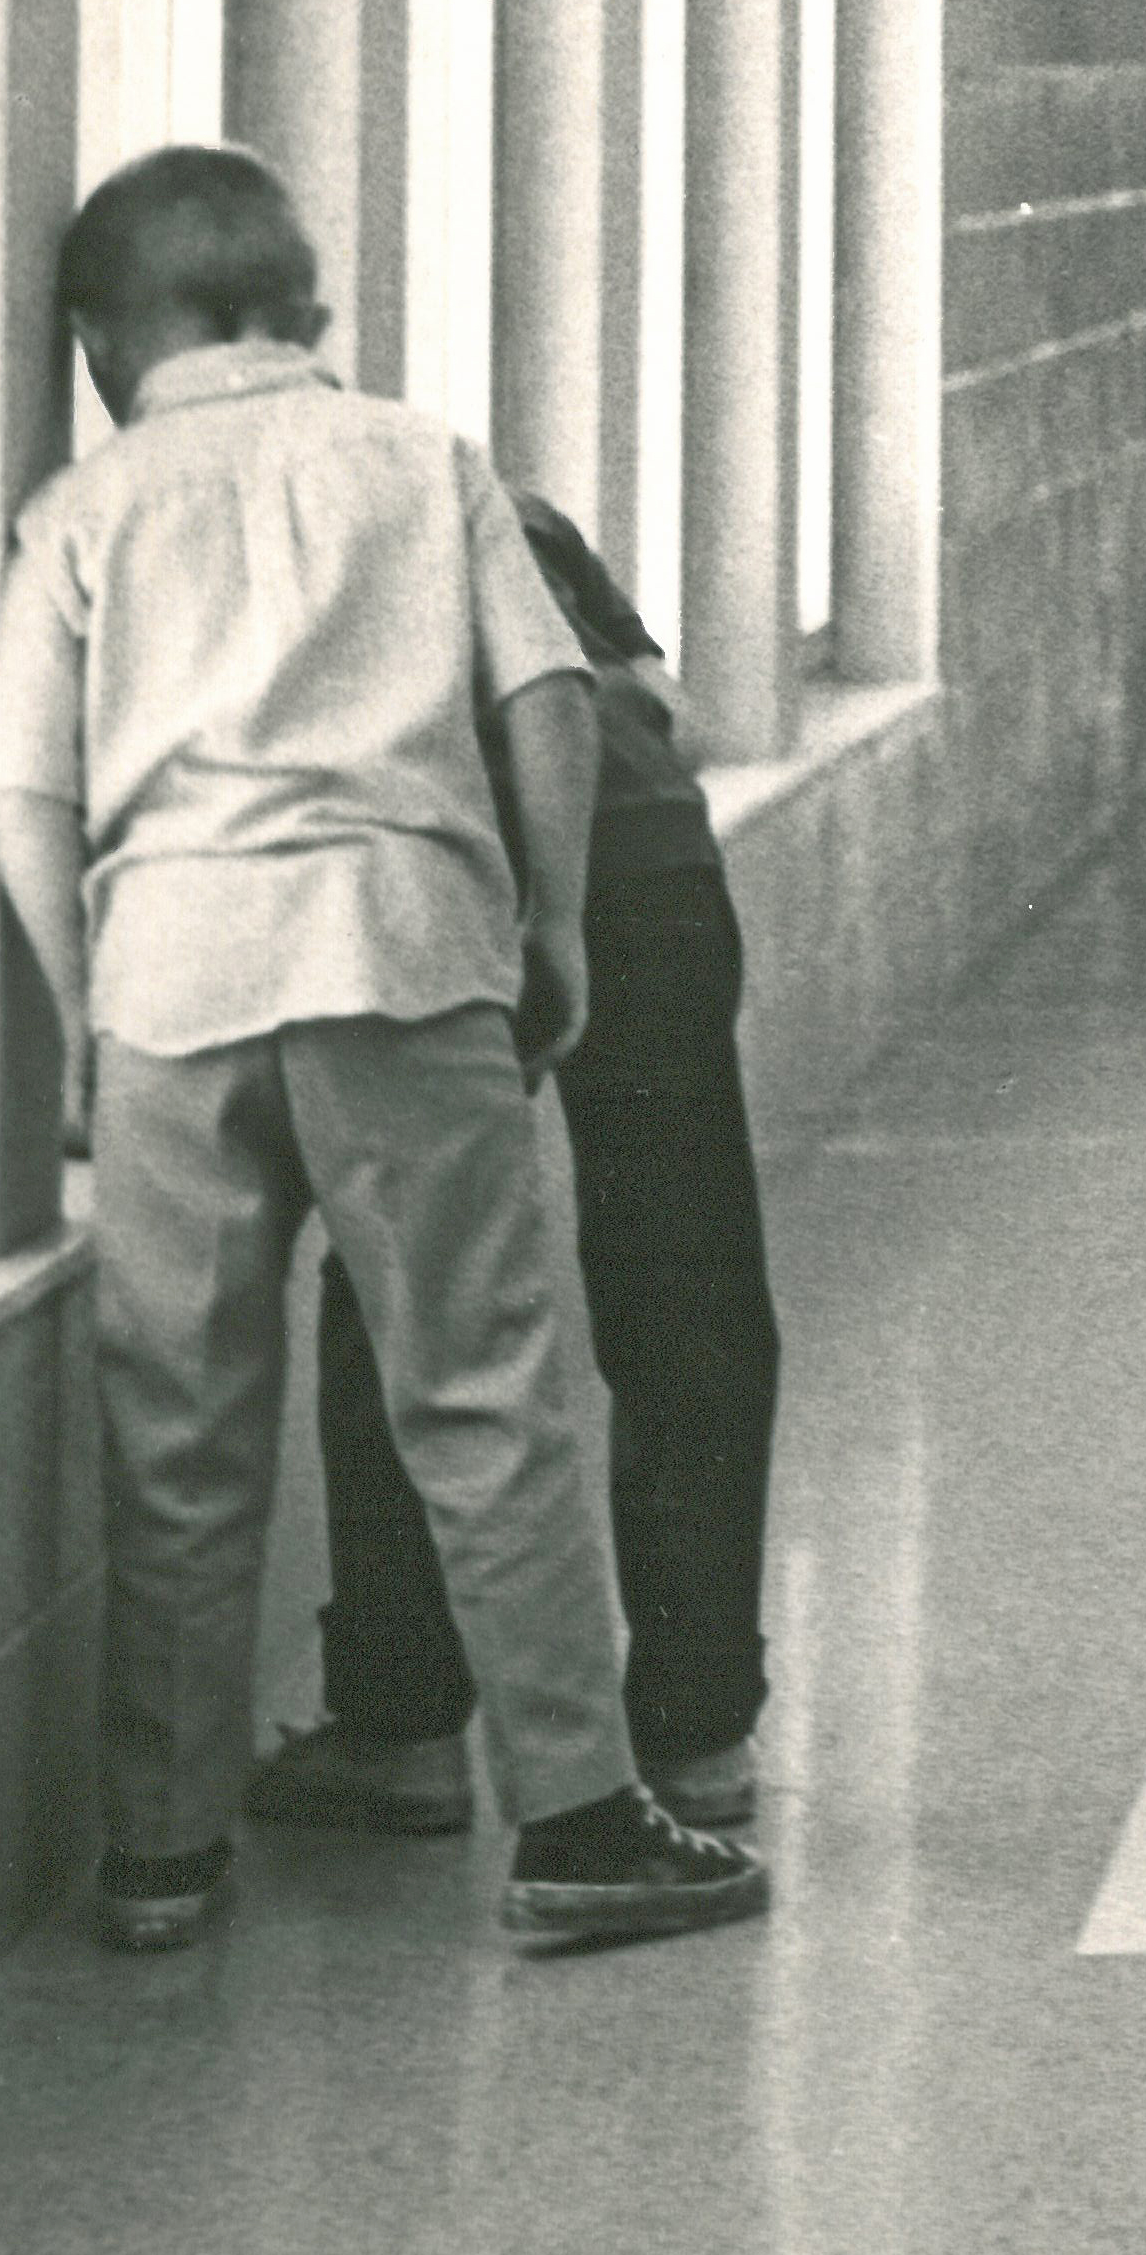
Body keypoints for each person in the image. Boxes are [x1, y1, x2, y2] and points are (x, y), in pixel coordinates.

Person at [0, 146, 763, 1956]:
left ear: (107, 334)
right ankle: (578, 1821)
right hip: (404, 962)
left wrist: (85, 997)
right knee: (481, 1391)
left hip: (173, 982)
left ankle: (162, 1854)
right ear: (306, 312)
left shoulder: (81, 509)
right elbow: (547, 695)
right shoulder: (420, 459)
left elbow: (22, 788)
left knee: (175, 1430)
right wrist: (548, 924)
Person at [242, 486, 787, 1840]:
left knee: (403, 1289)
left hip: (443, 887)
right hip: (648, 864)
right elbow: (672, 711)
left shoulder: (184, 531)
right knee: (685, 1292)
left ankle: (401, 1720)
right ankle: (699, 1733)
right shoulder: (493, 498)